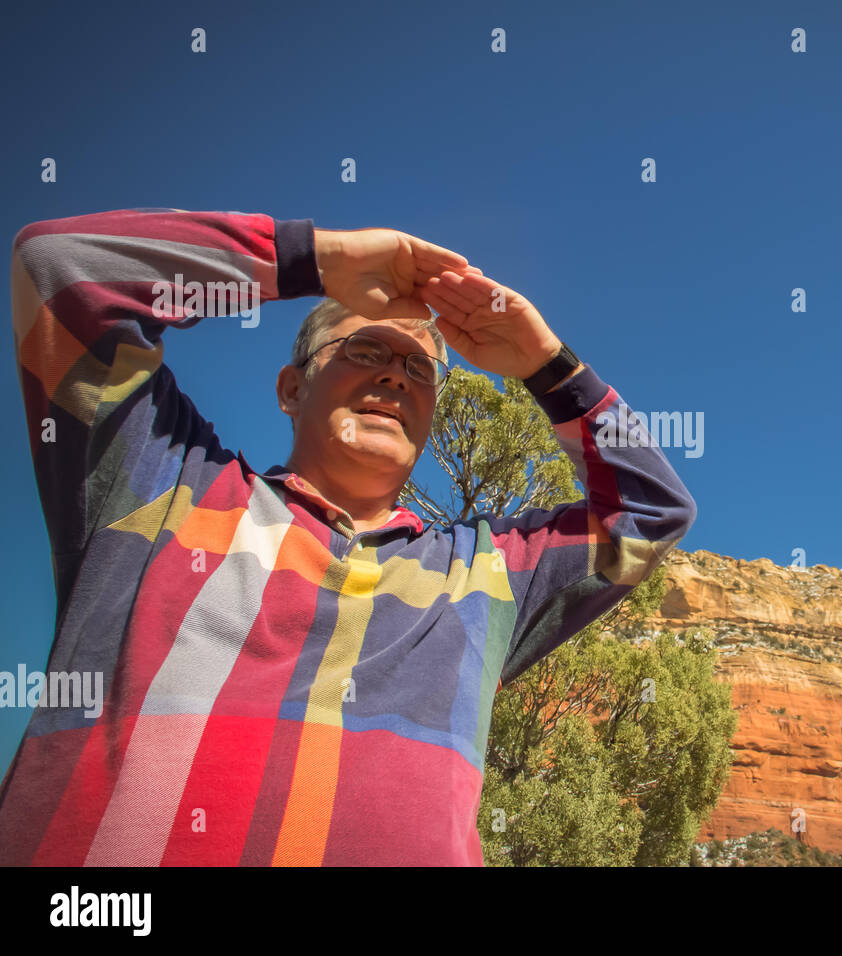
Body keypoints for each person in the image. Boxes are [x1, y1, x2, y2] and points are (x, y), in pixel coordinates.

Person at [0, 208, 697, 865]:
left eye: (420, 369)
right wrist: (312, 260)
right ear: (291, 388)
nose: (396, 372)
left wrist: (547, 367)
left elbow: (652, 509)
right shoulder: (161, 484)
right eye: (365, 349)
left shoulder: (485, 573)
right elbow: (58, 271)